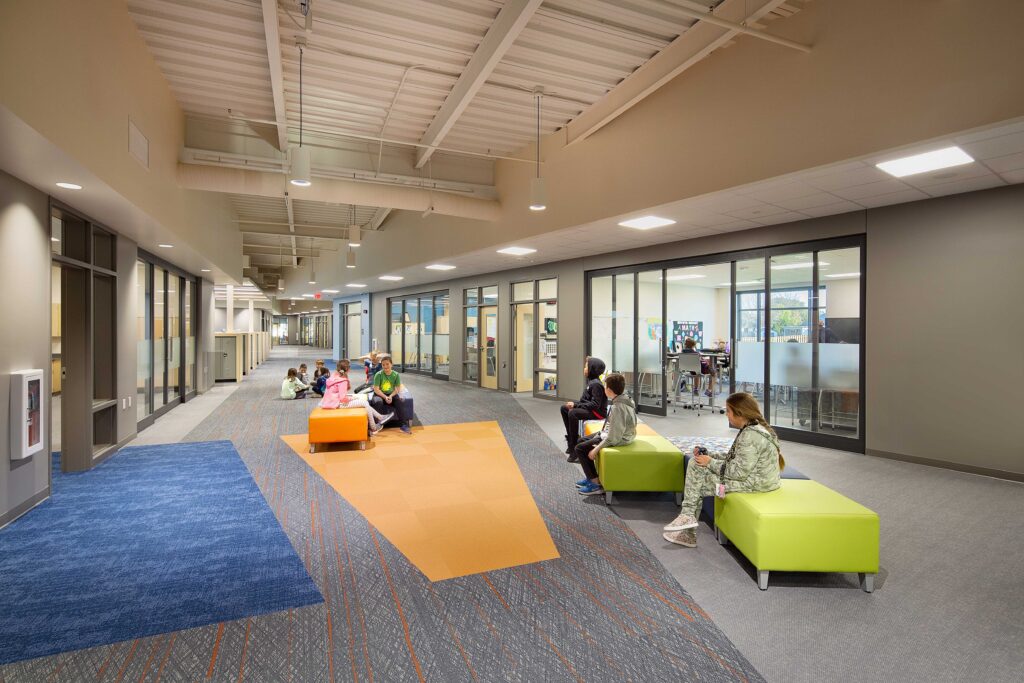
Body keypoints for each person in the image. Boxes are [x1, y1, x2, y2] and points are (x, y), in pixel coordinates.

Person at [662, 392, 783, 548]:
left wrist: (710, 462)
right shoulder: (752, 428)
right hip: (754, 479)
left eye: (728, 411)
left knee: (698, 481)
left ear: (740, 413)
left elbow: (737, 473)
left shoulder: (751, 435)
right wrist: (710, 455)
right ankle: (687, 522)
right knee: (695, 464)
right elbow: (735, 457)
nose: (726, 415)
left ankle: (688, 524)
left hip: (756, 484)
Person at [573, 373, 637, 496]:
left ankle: (595, 484)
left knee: (580, 448)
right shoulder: (623, 398)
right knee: (581, 441)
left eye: (605, 386)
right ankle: (591, 477)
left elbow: (613, 438)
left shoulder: (618, 407)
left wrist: (596, 449)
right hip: (614, 433)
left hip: (620, 438)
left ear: (608, 390)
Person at [320, 360, 392, 434]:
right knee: (364, 403)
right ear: (348, 369)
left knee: (363, 403)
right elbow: (343, 399)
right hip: (336, 404)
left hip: (329, 402)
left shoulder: (334, 376)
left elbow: (338, 394)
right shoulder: (342, 381)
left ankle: (380, 418)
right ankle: (374, 427)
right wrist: (352, 398)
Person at [560, 356, 608, 459]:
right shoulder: (590, 382)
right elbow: (585, 401)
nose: (584, 369)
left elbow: (595, 405)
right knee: (564, 408)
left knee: (573, 413)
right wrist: (574, 404)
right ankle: (570, 440)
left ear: (592, 369)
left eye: (586, 367)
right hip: (590, 409)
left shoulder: (596, 384)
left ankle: (575, 448)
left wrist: (576, 405)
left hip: (597, 413)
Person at [371, 354, 412, 434]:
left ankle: (403, 425)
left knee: (400, 401)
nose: (385, 366)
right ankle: (376, 425)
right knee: (377, 402)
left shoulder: (396, 375)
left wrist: (390, 396)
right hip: (380, 394)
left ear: (391, 364)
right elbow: (376, 389)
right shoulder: (378, 375)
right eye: (383, 365)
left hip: (391, 394)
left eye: (387, 364)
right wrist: (385, 397)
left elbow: (397, 388)